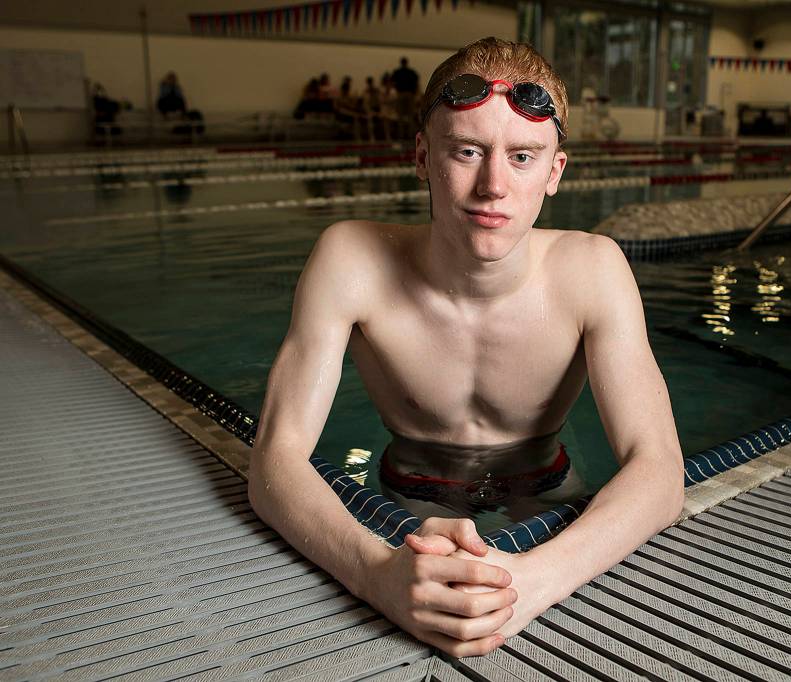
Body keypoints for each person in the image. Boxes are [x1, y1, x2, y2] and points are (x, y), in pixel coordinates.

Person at [249, 37, 685, 658]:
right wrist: (378, 577)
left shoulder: (593, 269)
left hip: (547, 492)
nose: (493, 186)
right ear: (424, 157)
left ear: (555, 171)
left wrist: (534, 581)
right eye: (467, 151)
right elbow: (274, 464)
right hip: (405, 496)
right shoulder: (350, 261)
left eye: (524, 157)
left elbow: (661, 473)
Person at [391, 56, 420, 138]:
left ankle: (401, 135)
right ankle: (410, 135)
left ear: (401, 63)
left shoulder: (397, 72)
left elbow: (392, 83)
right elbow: (417, 84)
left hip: (401, 94)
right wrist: (416, 95)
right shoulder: (412, 72)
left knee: (400, 116)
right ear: (407, 63)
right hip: (410, 94)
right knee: (410, 116)